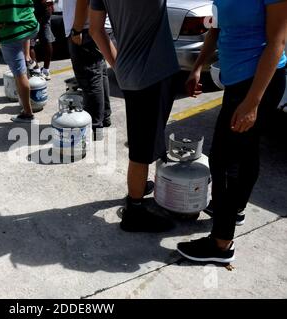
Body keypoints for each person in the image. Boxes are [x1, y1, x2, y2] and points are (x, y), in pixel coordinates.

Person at [177, 0, 286, 263]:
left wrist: (252, 102)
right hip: (235, 80)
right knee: (246, 150)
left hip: (258, 83)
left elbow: (277, 42)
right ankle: (235, 208)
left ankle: (221, 243)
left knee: (224, 160)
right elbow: (216, 29)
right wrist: (198, 66)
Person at [89, 0, 180, 232]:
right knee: (142, 149)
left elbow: (95, 30)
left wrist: (118, 65)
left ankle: (138, 192)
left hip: (130, 73)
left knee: (143, 139)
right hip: (154, 73)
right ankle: (135, 210)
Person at [0, 0, 39, 123]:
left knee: (19, 74)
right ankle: (28, 58)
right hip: (31, 24)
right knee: (23, 46)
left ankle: (27, 113)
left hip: (10, 30)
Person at [63, 0, 112, 141]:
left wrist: (76, 29)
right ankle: (104, 117)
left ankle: (94, 127)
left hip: (84, 29)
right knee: (99, 74)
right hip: (95, 26)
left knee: (90, 79)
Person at [29, 0, 55, 80]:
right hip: (44, 12)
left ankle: (37, 70)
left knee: (30, 44)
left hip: (33, 14)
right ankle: (45, 70)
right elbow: (50, 2)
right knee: (46, 40)